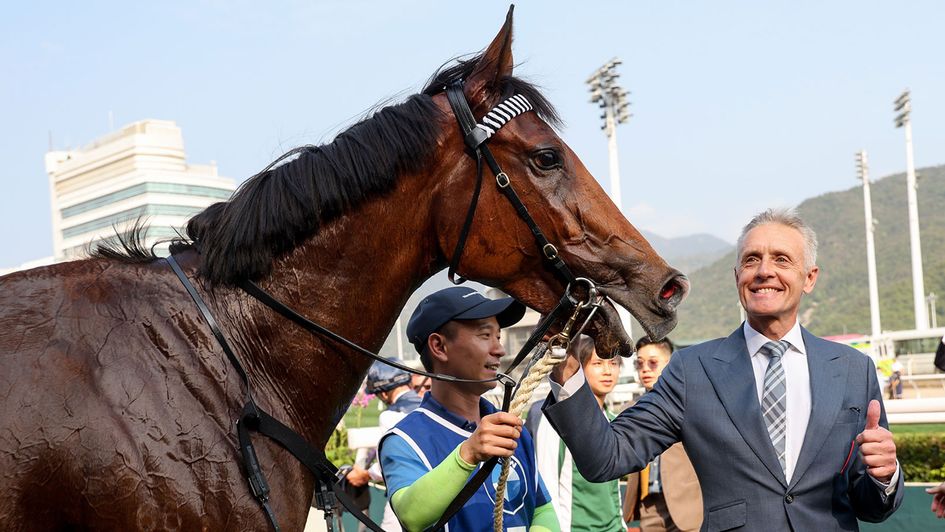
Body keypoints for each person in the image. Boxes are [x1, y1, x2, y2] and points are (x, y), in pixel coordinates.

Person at [542, 208, 903, 530]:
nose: (764, 271)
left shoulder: (855, 369)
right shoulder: (691, 370)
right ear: (736, 277)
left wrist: (885, 476)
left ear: (809, 277)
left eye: (781, 259)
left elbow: (870, 506)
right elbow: (608, 456)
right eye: (751, 260)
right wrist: (567, 367)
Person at [378, 286, 558, 531]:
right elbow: (411, 516)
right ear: (439, 347)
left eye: (498, 336)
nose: (499, 350)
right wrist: (468, 454)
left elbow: (542, 508)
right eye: (485, 335)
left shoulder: (511, 427)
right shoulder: (404, 440)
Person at [534, 334, 625, 532]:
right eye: (598, 363)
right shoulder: (561, 421)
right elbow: (547, 481)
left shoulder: (613, 418)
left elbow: (613, 489)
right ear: (581, 368)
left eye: (614, 363)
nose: (607, 371)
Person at [623, 337, 702, 532]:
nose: (645, 369)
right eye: (639, 363)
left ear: (669, 364)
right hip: (648, 506)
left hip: (688, 506)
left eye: (652, 362)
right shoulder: (629, 411)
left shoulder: (690, 404)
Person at [345, 362, 423, 531]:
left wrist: (366, 475)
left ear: (384, 393)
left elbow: (387, 466)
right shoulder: (428, 404)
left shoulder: (390, 416)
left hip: (407, 496)